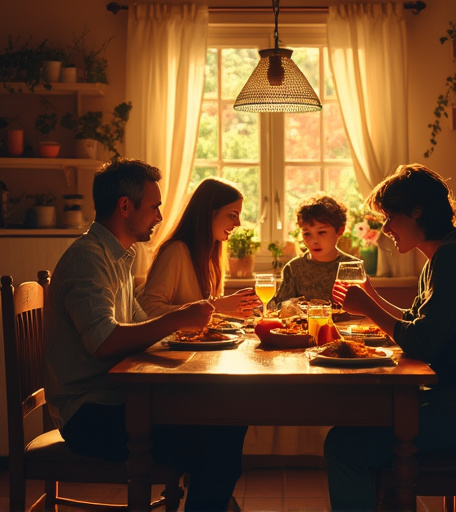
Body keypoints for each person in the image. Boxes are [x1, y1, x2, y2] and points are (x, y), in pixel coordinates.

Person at [43, 158, 247, 512]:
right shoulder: (87, 259)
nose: (159, 216)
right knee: (220, 435)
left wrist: (186, 326)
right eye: (154, 207)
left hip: (117, 399)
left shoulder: (118, 258)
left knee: (226, 415)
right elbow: (104, 342)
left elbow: (140, 325)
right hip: (89, 414)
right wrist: (180, 317)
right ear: (125, 206)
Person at [327, 163, 456, 511]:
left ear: (416, 212)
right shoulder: (443, 256)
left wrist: (368, 308)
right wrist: (374, 298)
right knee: (366, 418)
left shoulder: (454, 257)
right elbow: (415, 322)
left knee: (344, 445)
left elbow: (421, 343)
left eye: (390, 217)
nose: (386, 228)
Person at [138, 176, 260, 318]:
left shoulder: (210, 257)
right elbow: (149, 310)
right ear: (209, 214)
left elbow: (205, 316)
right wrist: (216, 306)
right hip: (169, 340)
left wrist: (231, 307)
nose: (238, 223)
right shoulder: (176, 251)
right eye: (233, 215)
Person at [269, 194, 360, 310]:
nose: (314, 241)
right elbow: (280, 308)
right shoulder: (293, 268)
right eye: (307, 234)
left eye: (322, 232)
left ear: (340, 230)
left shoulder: (353, 267)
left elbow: (363, 309)